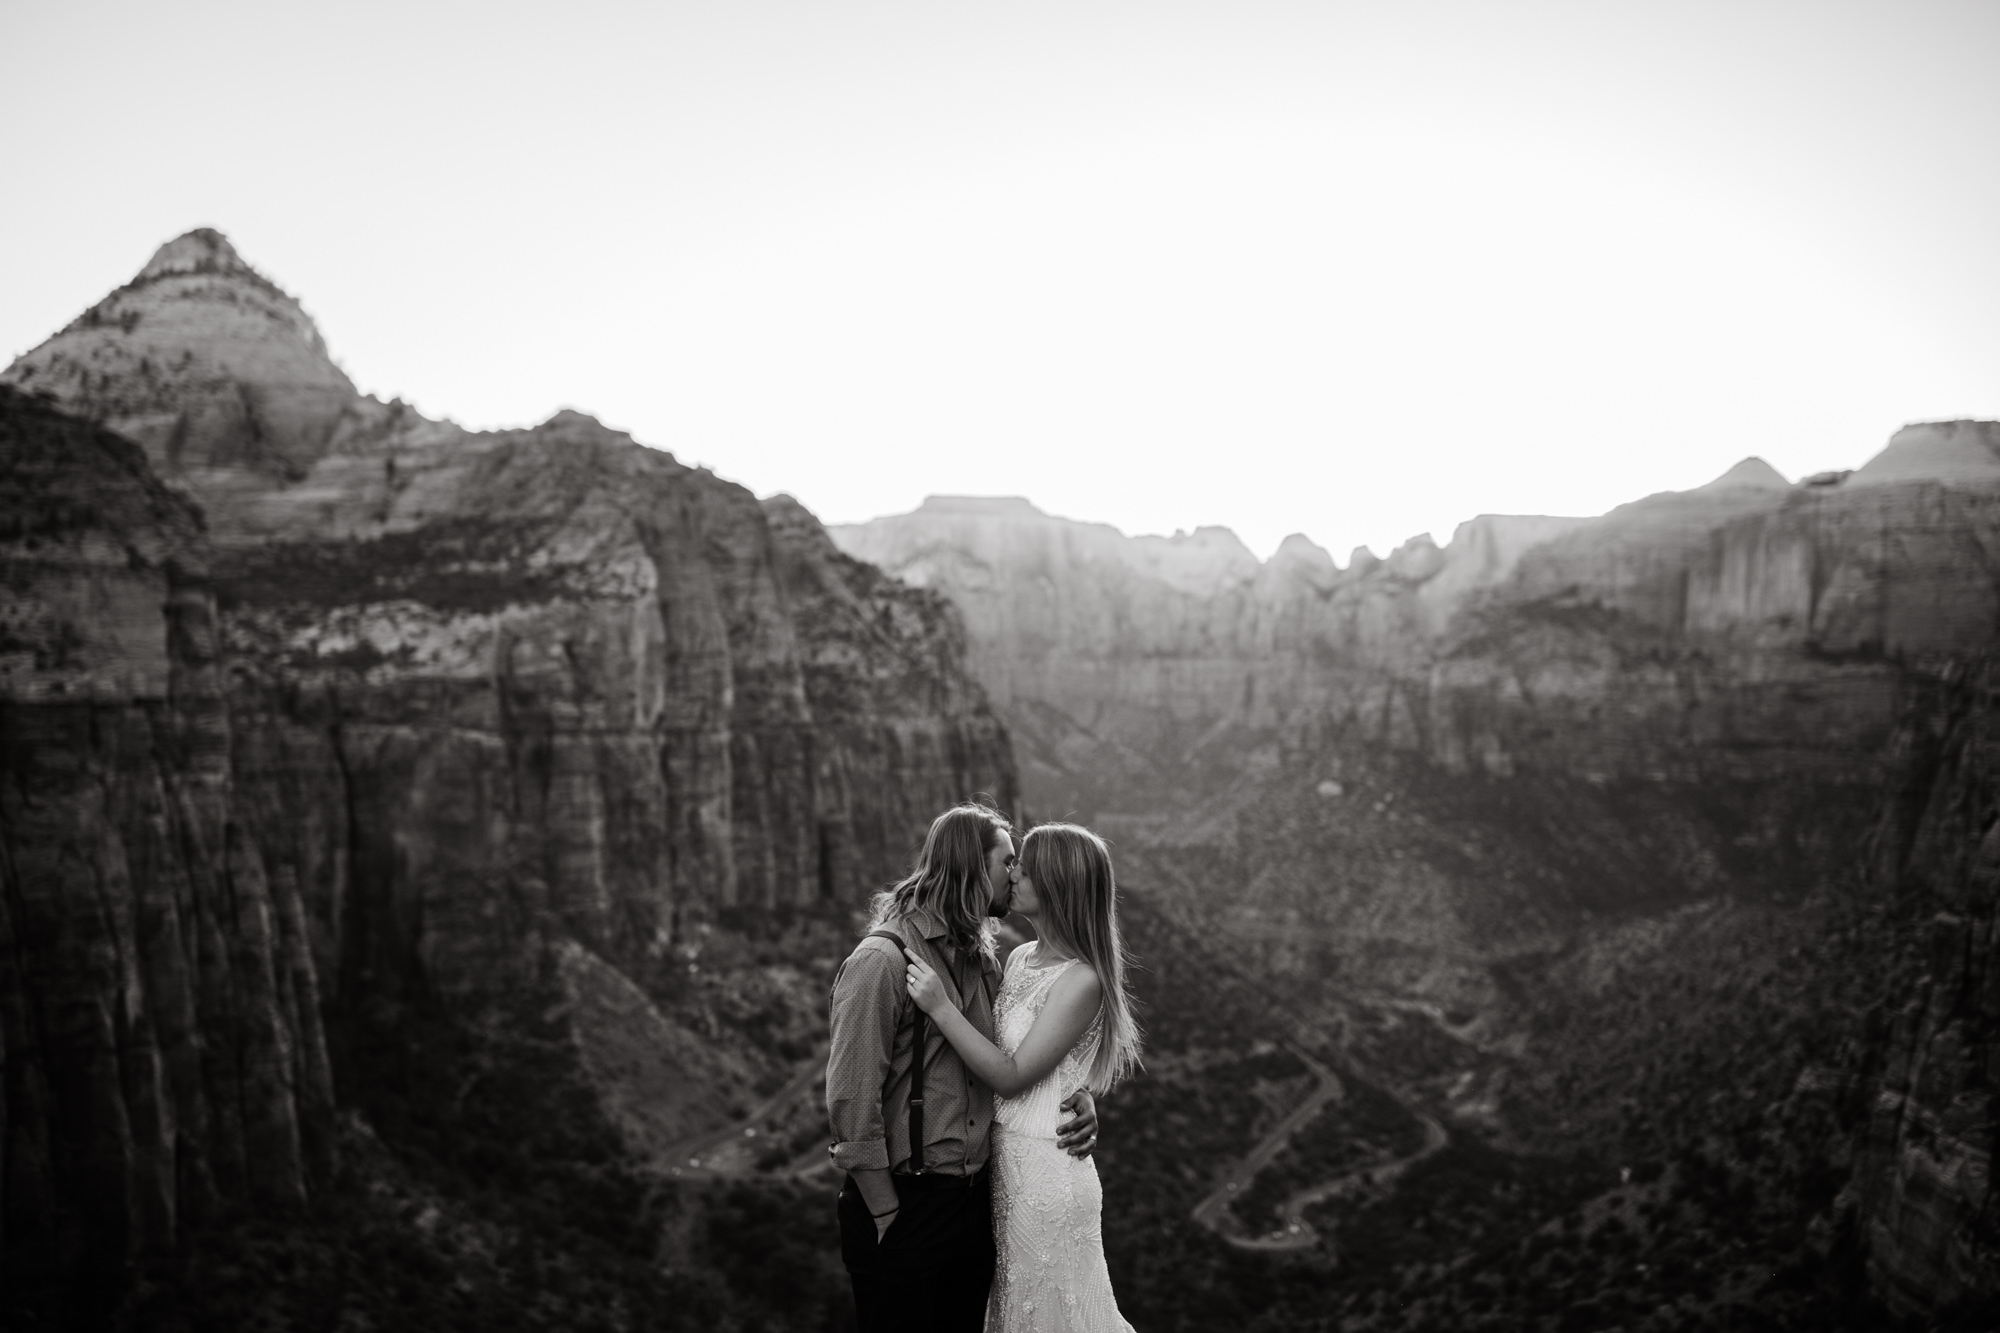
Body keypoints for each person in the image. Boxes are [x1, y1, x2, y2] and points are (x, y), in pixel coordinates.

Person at [827, 802, 1101, 1333]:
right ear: (971, 871)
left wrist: (1079, 1090)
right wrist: (888, 1216)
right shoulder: (881, 962)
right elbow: (850, 1106)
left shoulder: (987, 958)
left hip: (977, 1205)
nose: (1017, 872)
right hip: (907, 1204)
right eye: (1008, 861)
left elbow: (1019, 1052)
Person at [905, 821, 1142, 1333]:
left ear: (1055, 886)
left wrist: (941, 1009)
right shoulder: (1018, 957)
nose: (1011, 876)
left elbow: (1011, 1076)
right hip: (1004, 1172)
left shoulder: (1081, 978)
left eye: (1024, 870)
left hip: (1046, 1175)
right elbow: (1030, 1056)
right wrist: (1074, 1089)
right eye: (1012, 865)